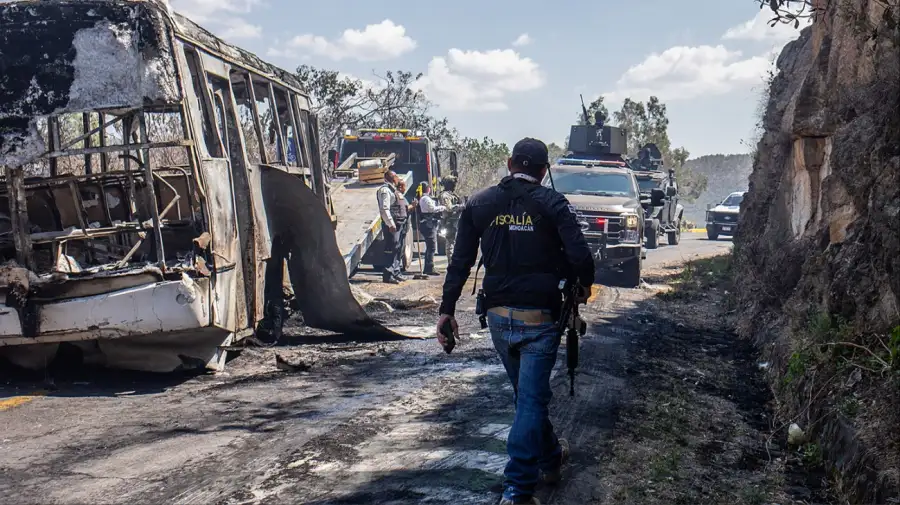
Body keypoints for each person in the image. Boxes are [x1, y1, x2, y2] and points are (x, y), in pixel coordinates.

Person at [436, 138, 594, 505]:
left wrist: (446, 310)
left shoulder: (479, 202)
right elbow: (582, 259)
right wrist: (581, 289)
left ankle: (552, 458)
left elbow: (460, 261)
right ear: (544, 170)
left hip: (497, 318)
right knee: (531, 404)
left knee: (527, 400)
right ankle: (518, 491)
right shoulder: (554, 203)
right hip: (540, 318)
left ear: (509, 163)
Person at [376, 170, 407, 284]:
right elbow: (384, 209)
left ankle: (396, 272)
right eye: (396, 176)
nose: (398, 179)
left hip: (399, 223)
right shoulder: (385, 190)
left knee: (397, 248)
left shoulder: (393, 190)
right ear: (391, 178)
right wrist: (390, 223)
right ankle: (388, 275)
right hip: (392, 225)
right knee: (391, 248)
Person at [416, 181, 446, 276]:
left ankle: (428, 267)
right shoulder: (425, 199)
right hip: (428, 225)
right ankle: (429, 267)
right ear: (428, 189)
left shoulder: (425, 198)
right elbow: (432, 209)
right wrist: (442, 207)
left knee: (430, 246)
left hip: (429, 224)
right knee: (432, 246)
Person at [438, 176, 463, 258]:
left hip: (456, 221)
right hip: (450, 222)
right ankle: (451, 264)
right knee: (450, 245)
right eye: (453, 184)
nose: (454, 186)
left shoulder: (452, 194)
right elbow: (449, 208)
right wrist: (461, 206)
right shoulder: (445, 195)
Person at [396, 179, 418, 274]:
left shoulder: (401, 196)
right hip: (400, 226)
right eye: (404, 186)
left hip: (403, 227)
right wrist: (412, 206)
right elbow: (404, 208)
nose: (405, 189)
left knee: (400, 248)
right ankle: (396, 270)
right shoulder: (399, 196)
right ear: (401, 187)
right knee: (398, 249)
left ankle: (397, 270)